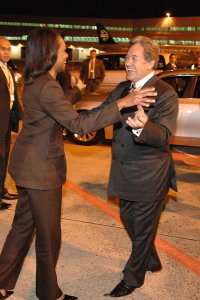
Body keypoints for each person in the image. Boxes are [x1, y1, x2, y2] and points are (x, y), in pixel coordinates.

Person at [0, 28, 157, 300]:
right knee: (49, 236)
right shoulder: (47, 85)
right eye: (62, 49)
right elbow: (78, 123)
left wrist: (76, 92)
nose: (66, 54)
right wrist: (122, 103)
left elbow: (52, 110)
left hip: (26, 164)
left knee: (22, 227)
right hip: (41, 170)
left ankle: (1, 283)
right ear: (50, 53)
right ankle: (49, 293)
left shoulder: (36, 81)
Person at [94, 36, 178, 297]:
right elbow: (101, 112)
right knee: (128, 218)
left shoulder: (165, 93)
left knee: (141, 229)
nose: (127, 62)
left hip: (149, 174)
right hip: (123, 172)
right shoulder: (122, 89)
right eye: (127, 57)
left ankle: (133, 277)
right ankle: (150, 259)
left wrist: (144, 127)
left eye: (133, 58)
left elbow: (163, 135)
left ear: (150, 62)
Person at [0, 36, 23, 211]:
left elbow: (12, 95)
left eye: (8, 48)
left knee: (4, 157)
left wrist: (19, 116)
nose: (7, 52)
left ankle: (1, 190)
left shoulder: (8, 69)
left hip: (6, 121)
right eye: (3, 48)